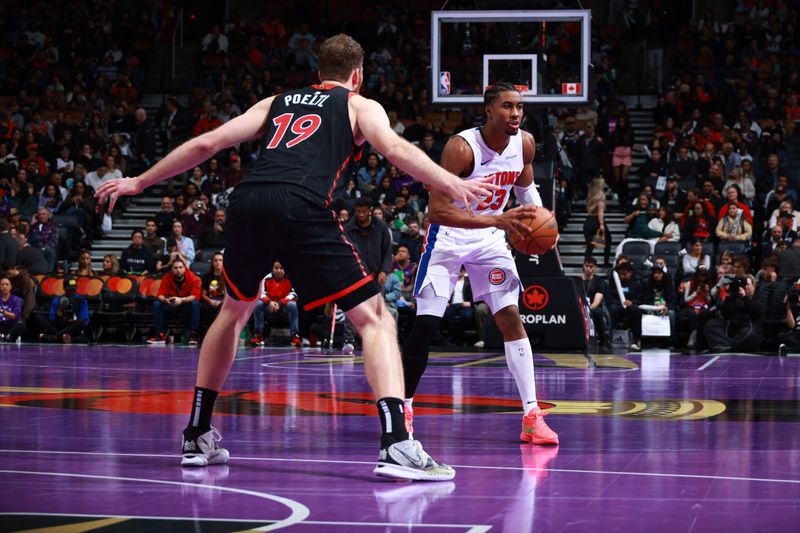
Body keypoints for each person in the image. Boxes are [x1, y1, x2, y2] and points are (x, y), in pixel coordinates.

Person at [96, 34, 505, 481]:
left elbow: (207, 143)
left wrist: (138, 182)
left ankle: (197, 434)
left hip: (248, 200)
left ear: (318, 73)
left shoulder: (277, 101)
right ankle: (396, 444)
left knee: (233, 311)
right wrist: (451, 182)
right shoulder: (358, 105)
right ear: (357, 75)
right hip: (301, 202)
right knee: (376, 318)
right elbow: (395, 149)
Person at [400, 82, 558, 447]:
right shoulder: (461, 148)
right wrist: (496, 221)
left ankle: (532, 417)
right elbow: (437, 211)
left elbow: (525, 191)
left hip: (489, 239)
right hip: (449, 238)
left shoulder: (525, 144)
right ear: (488, 111)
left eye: (519, 107)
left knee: (510, 317)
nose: (515, 113)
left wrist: (543, 221)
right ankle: (403, 409)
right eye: (507, 106)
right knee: (425, 325)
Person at [147, 258, 202, 346]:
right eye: (175, 268)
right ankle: (160, 335)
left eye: (180, 267)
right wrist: (166, 300)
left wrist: (182, 300)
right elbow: (160, 295)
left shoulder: (194, 279)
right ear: (171, 269)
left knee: (195, 304)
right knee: (156, 304)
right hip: (171, 305)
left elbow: (195, 296)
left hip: (185, 306)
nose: (178, 270)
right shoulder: (166, 277)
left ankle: (193, 334)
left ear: (185, 268)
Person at [250, 261, 301, 346]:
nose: (279, 271)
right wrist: (270, 302)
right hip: (269, 308)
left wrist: (280, 303)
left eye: (281, 268)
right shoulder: (266, 278)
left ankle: (295, 336)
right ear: (272, 269)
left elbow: (293, 294)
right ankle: (258, 335)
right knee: (258, 304)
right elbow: (261, 293)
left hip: (283, 308)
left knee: (293, 305)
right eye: (276, 268)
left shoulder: (290, 278)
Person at [36, 277, 89, 343]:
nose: (72, 292)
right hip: (59, 325)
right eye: (70, 290)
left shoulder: (82, 301)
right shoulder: (57, 300)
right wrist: (58, 315)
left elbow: (85, 320)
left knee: (81, 322)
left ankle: (54, 337)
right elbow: (52, 318)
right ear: (64, 288)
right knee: (39, 317)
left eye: (74, 289)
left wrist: (73, 320)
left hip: (73, 326)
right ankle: (63, 337)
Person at [578, 256, 609, 349]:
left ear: (595, 268)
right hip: (579, 307)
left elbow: (598, 299)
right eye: (587, 266)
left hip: (592, 307)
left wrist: (589, 308)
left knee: (598, 312)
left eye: (591, 267)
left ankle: (603, 342)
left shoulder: (599, 282)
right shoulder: (576, 280)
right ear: (583, 266)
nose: (588, 269)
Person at [583, 177, 611, 266]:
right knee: (609, 240)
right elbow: (600, 213)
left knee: (590, 245)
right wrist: (602, 224)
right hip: (596, 221)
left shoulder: (590, 197)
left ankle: (586, 263)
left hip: (588, 221)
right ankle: (606, 262)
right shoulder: (600, 198)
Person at [0, 275, 25, 342]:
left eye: (7, 284)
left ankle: (4, 336)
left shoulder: (16, 300)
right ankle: (5, 337)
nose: (4, 286)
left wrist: (2, 311)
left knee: (21, 325)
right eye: (2, 284)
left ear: (11, 286)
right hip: (1, 324)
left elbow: (16, 316)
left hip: (11, 325)